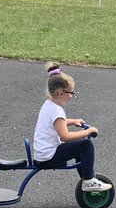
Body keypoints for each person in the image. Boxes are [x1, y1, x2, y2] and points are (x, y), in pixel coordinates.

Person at [32, 63, 111, 192]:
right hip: (49, 156)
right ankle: (89, 181)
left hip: (43, 154)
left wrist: (73, 121)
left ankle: (87, 179)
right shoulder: (57, 111)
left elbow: (56, 124)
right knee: (86, 145)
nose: (72, 95)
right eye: (71, 92)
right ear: (60, 92)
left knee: (80, 147)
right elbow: (65, 136)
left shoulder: (48, 105)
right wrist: (88, 131)